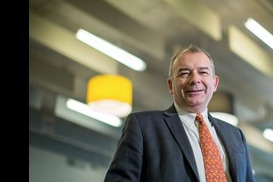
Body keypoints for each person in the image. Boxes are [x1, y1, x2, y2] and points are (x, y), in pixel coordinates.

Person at [104, 45, 255, 182]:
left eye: (203, 72)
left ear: (214, 83)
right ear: (171, 85)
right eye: (184, 73)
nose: (195, 79)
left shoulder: (236, 136)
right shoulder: (143, 126)